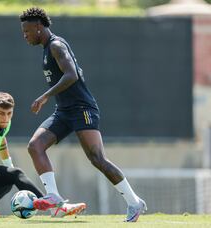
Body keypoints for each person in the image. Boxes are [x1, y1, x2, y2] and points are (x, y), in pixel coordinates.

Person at [20, 7, 147, 222]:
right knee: (35, 146)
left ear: (39, 27)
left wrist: (44, 97)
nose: (25, 36)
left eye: (27, 31)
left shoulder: (56, 46)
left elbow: (71, 76)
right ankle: (55, 198)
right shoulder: (46, 48)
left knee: (97, 158)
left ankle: (134, 202)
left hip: (82, 109)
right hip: (64, 111)